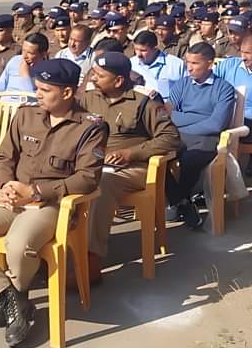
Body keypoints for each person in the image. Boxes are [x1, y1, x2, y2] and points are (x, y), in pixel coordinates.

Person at [0, 59, 107, 348]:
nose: (37, 93)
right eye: (37, 87)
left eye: (45, 90)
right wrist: (7, 184)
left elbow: (87, 179)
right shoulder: (25, 115)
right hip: (12, 196)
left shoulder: (91, 127)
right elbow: (5, 158)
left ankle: (12, 301)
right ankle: (12, 300)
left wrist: (35, 192)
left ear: (68, 93)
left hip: (53, 204)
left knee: (18, 244)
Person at [76, 51, 179, 273]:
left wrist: (130, 153)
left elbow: (171, 138)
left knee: (101, 182)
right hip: (92, 163)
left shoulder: (144, 103)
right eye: (93, 73)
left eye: (99, 75)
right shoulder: (87, 99)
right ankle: (63, 251)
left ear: (119, 80)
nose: (93, 78)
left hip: (131, 169)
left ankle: (91, 259)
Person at [166, 43, 237, 229]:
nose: (189, 67)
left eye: (195, 63)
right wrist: (199, 118)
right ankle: (182, 202)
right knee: (156, 158)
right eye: (188, 62)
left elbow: (216, 124)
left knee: (190, 160)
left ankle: (178, 200)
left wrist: (183, 121)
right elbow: (167, 115)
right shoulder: (182, 84)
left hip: (206, 138)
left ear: (210, 64)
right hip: (177, 136)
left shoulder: (224, 89)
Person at [130, 30, 186, 101]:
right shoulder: (131, 64)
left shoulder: (176, 64)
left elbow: (187, 90)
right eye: (136, 49)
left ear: (155, 48)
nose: (138, 54)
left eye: (143, 50)